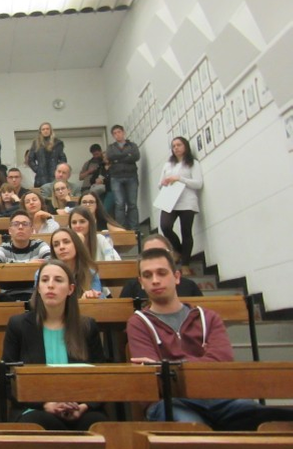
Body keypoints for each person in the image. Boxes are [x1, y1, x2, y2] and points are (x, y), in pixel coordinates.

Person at [127, 248, 293, 429]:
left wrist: (168, 367)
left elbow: (222, 362)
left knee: (272, 419)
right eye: (147, 275)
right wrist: (200, 362)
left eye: (162, 273)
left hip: (220, 398)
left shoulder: (208, 318)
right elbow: (152, 378)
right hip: (170, 402)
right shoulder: (138, 323)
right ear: (141, 282)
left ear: (176, 277)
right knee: (192, 428)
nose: (155, 280)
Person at [2, 260, 108, 429]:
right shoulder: (18, 325)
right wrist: (46, 404)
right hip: (35, 407)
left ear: (71, 289)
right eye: (44, 280)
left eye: (58, 280)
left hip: (80, 407)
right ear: (38, 288)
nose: (50, 285)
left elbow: (101, 378)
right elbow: (7, 379)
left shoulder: (87, 326)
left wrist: (84, 406)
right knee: (37, 423)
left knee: (98, 425)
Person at [158, 136, 203, 273]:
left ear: (185, 146)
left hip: (187, 201)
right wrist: (164, 183)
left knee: (186, 232)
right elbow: (159, 185)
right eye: (174, 146)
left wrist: (180, 179)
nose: (176, 148)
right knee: (165, 226)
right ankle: (178, 251)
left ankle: (185, 264)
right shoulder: (168, 164)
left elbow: (198, 184)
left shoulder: (192, 163)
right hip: (170, 201)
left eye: (179, 145)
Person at [121, 234, 202, 299]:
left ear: (171, 255)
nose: (155, 281)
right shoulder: (131, 287)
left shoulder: (189, 286)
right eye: (149, 254)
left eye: (161, 252)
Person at [49, 227, 101, 298]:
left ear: (76, 245)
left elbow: (99, 299)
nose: (61, 247)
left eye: (66, 242)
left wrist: (90, 297)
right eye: (56, 245)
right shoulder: (44, 274)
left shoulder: (90, 273)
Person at [106, 125, 141, 230]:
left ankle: (134, 229)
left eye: (119, 132)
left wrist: (118, 159)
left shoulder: (132, 145)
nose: (117, 134)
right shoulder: (111, 147)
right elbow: (110, 157)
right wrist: (127, 156)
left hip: (131, 176)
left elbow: (136, 156)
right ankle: (121, 229)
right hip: (116, 177)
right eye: (115, 133)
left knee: (132, 204)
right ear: (113, 135)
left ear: (123, 132)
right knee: (119, 204)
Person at [28, 122, 67, 188]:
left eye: (47, 129)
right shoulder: (36, 143)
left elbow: (63, 158)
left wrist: (58, 170)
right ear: (40, 131)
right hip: (41, 175)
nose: (45, 131)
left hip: (54, 174)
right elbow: (30, 159)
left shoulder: (58, 143)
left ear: (50, 130)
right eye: (43, 129)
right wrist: (37, 169)